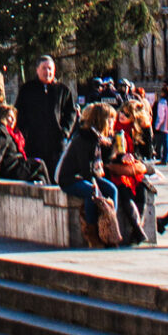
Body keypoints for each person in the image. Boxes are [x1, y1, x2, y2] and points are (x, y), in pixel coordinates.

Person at [58, 103, 123, 246]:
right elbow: (84, 169)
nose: (113, 122)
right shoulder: (84, 138)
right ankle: (92, 232)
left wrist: (115, 147)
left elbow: (104, 161)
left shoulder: (98, 138)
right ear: (102, 120)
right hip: (71, 178)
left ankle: (111, 225)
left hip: (90, 175)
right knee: (91, 191)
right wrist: (96, 187)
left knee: (112, 189)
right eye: (111, 119)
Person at [15, 55, 77, 179]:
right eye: (44, 68)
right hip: (34, 143)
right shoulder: (27, 89)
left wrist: (65, 131)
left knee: (56, 177)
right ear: (37, 70)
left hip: (56, 143)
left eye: (50, 68)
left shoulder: (62, 90)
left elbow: (71, 113)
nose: (47, 72)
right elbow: (19, 113)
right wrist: (24, 133)